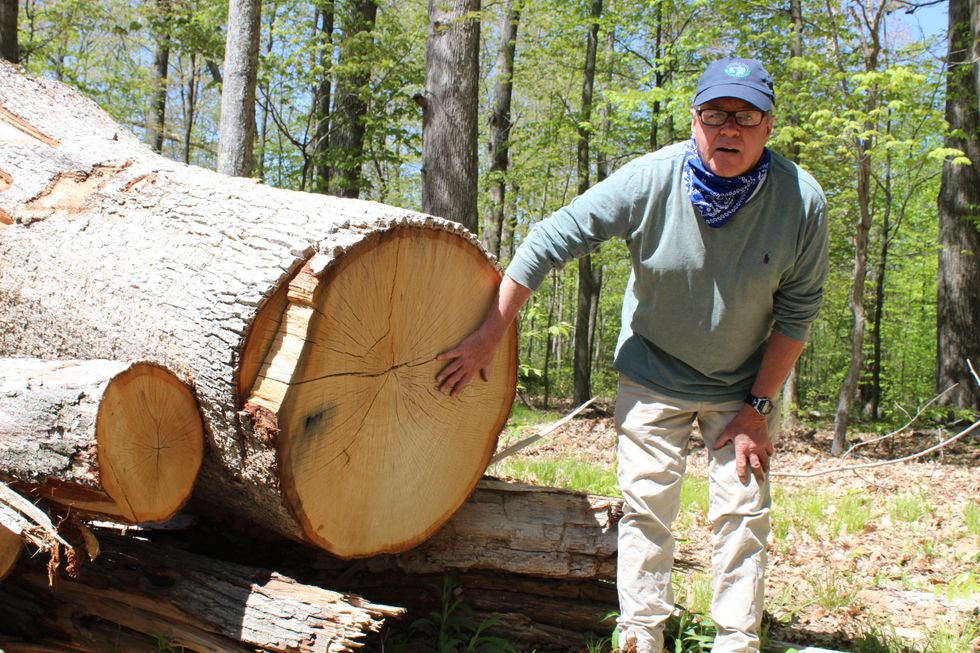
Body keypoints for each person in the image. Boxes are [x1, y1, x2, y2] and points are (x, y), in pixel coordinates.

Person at [435, 57, 828, 653]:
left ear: (768, 126)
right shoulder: (651, 179)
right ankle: (642, 635)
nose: (730, 129)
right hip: (652, 373)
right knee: (648, 510)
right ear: (695, 120)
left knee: (743, 516)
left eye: (746, 116)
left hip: (742, 387)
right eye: (716, 114)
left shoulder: (800, 201)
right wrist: (491, 331)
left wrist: (757, 406)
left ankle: (737, 641)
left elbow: (797, 315)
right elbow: (548, 239)